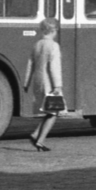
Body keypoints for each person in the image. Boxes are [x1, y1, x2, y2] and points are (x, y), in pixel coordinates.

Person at [25, 18, 65, 150]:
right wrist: (57, 85)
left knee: (49, 111)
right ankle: (40, 141)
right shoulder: (54, 46)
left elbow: (30, 64)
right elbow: (54, 67)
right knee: (54, 112)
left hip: (38, 81)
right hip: (49, 83)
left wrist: (26, 83)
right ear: (54, 30)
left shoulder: (37, 44)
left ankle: (35, 134)